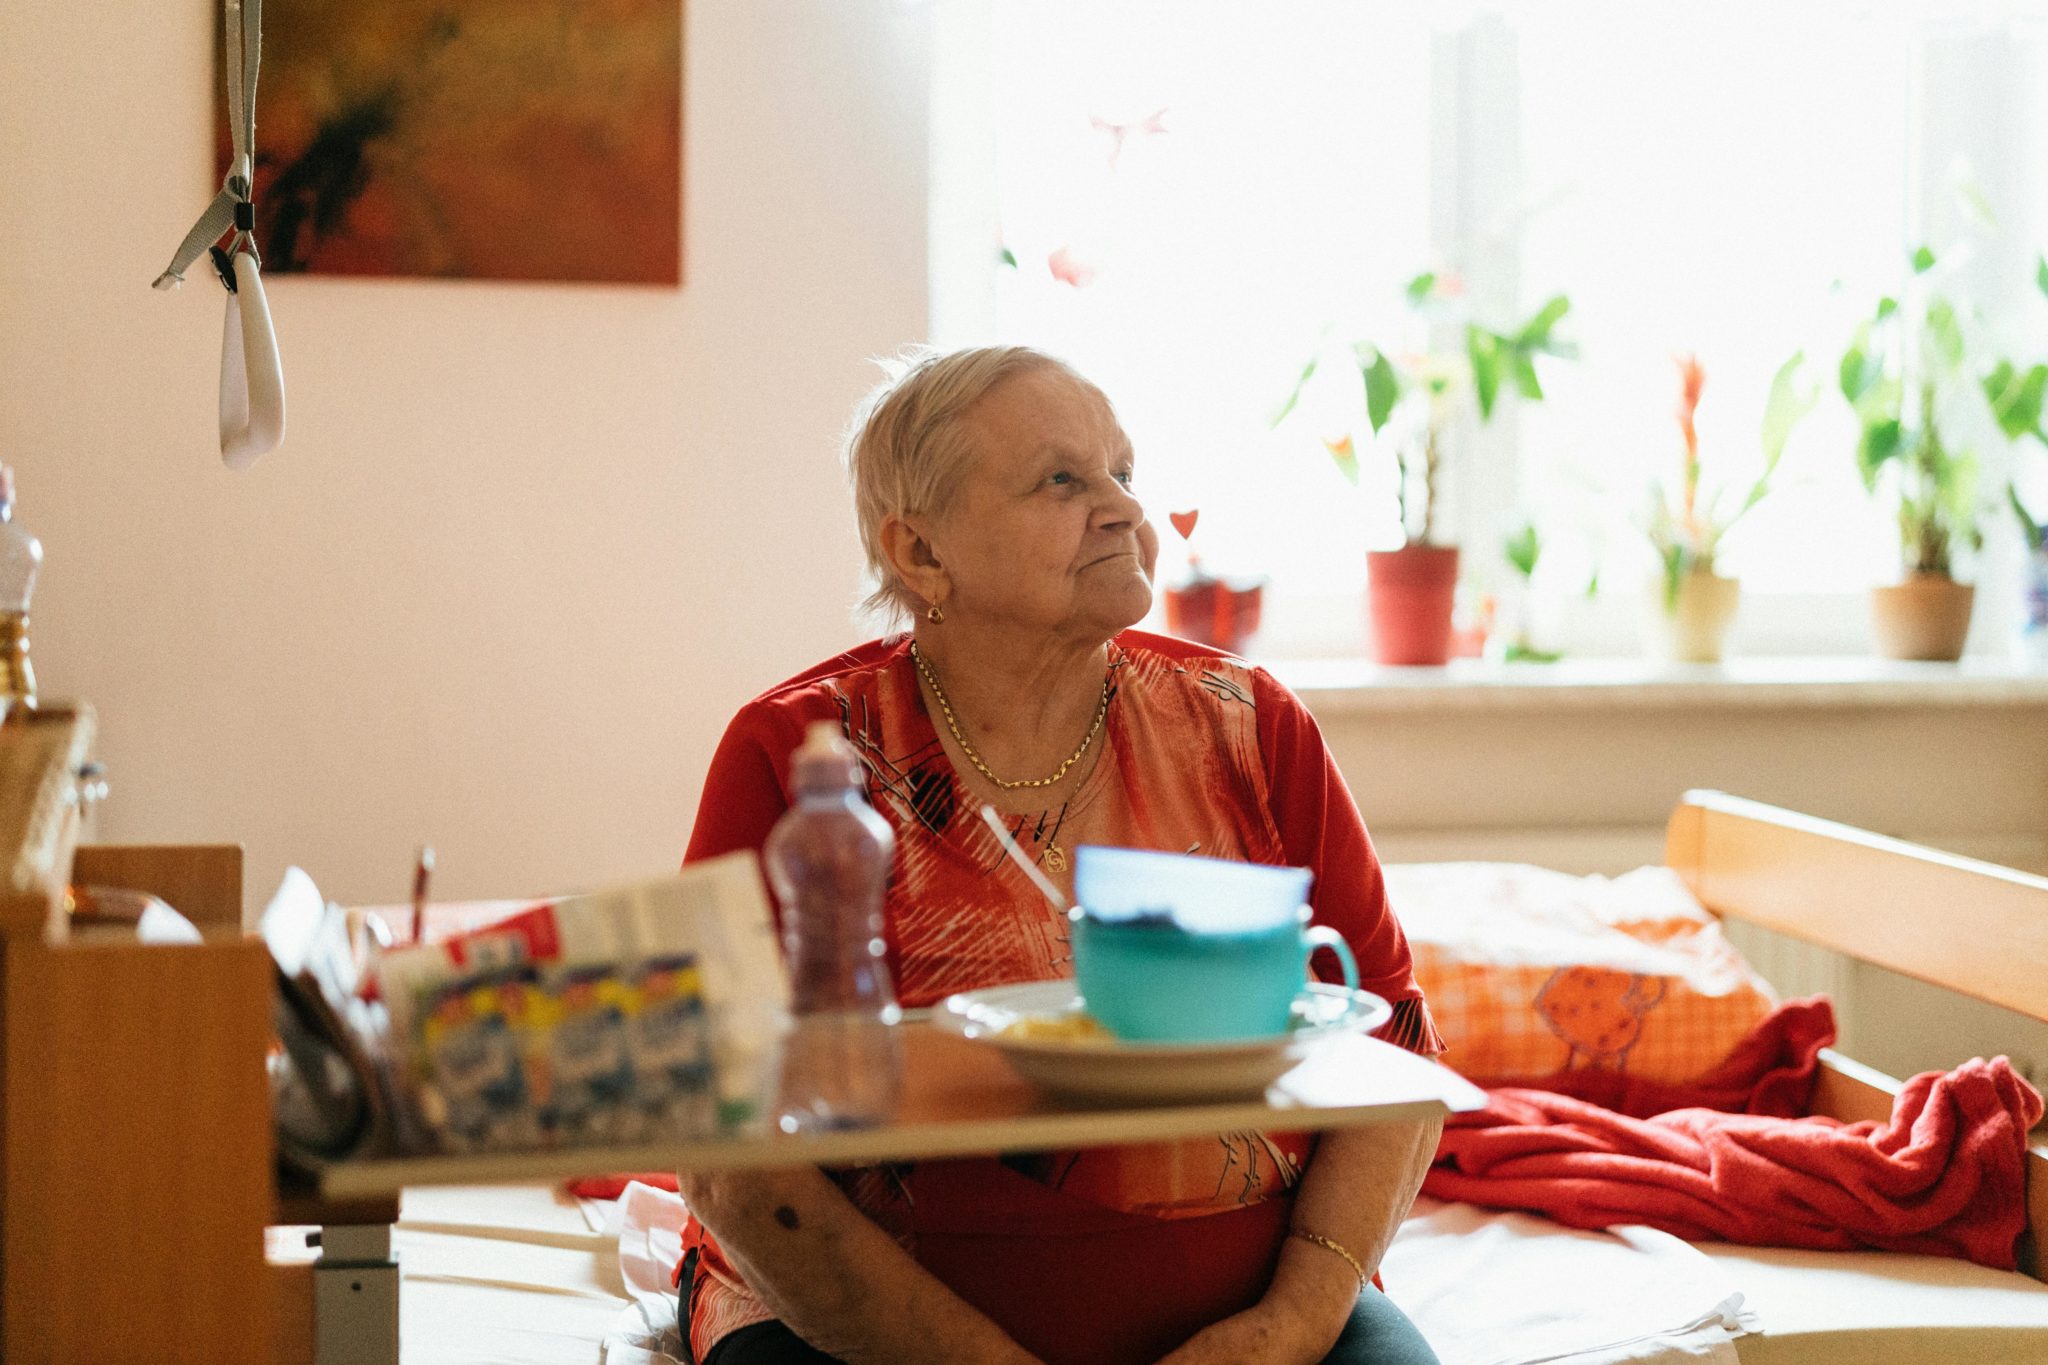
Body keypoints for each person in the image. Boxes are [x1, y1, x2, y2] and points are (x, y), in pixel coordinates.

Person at [677, 346, 1446, 1365]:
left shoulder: (1252, 728)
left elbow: (1388, 1044)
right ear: (919, 553)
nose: (1124, 510)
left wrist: (1286, 1328)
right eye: (1061, 480)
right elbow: (716, 1138)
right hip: (856, 1320)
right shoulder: (796, 757)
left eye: (1123, 473)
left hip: (1258, 1306)